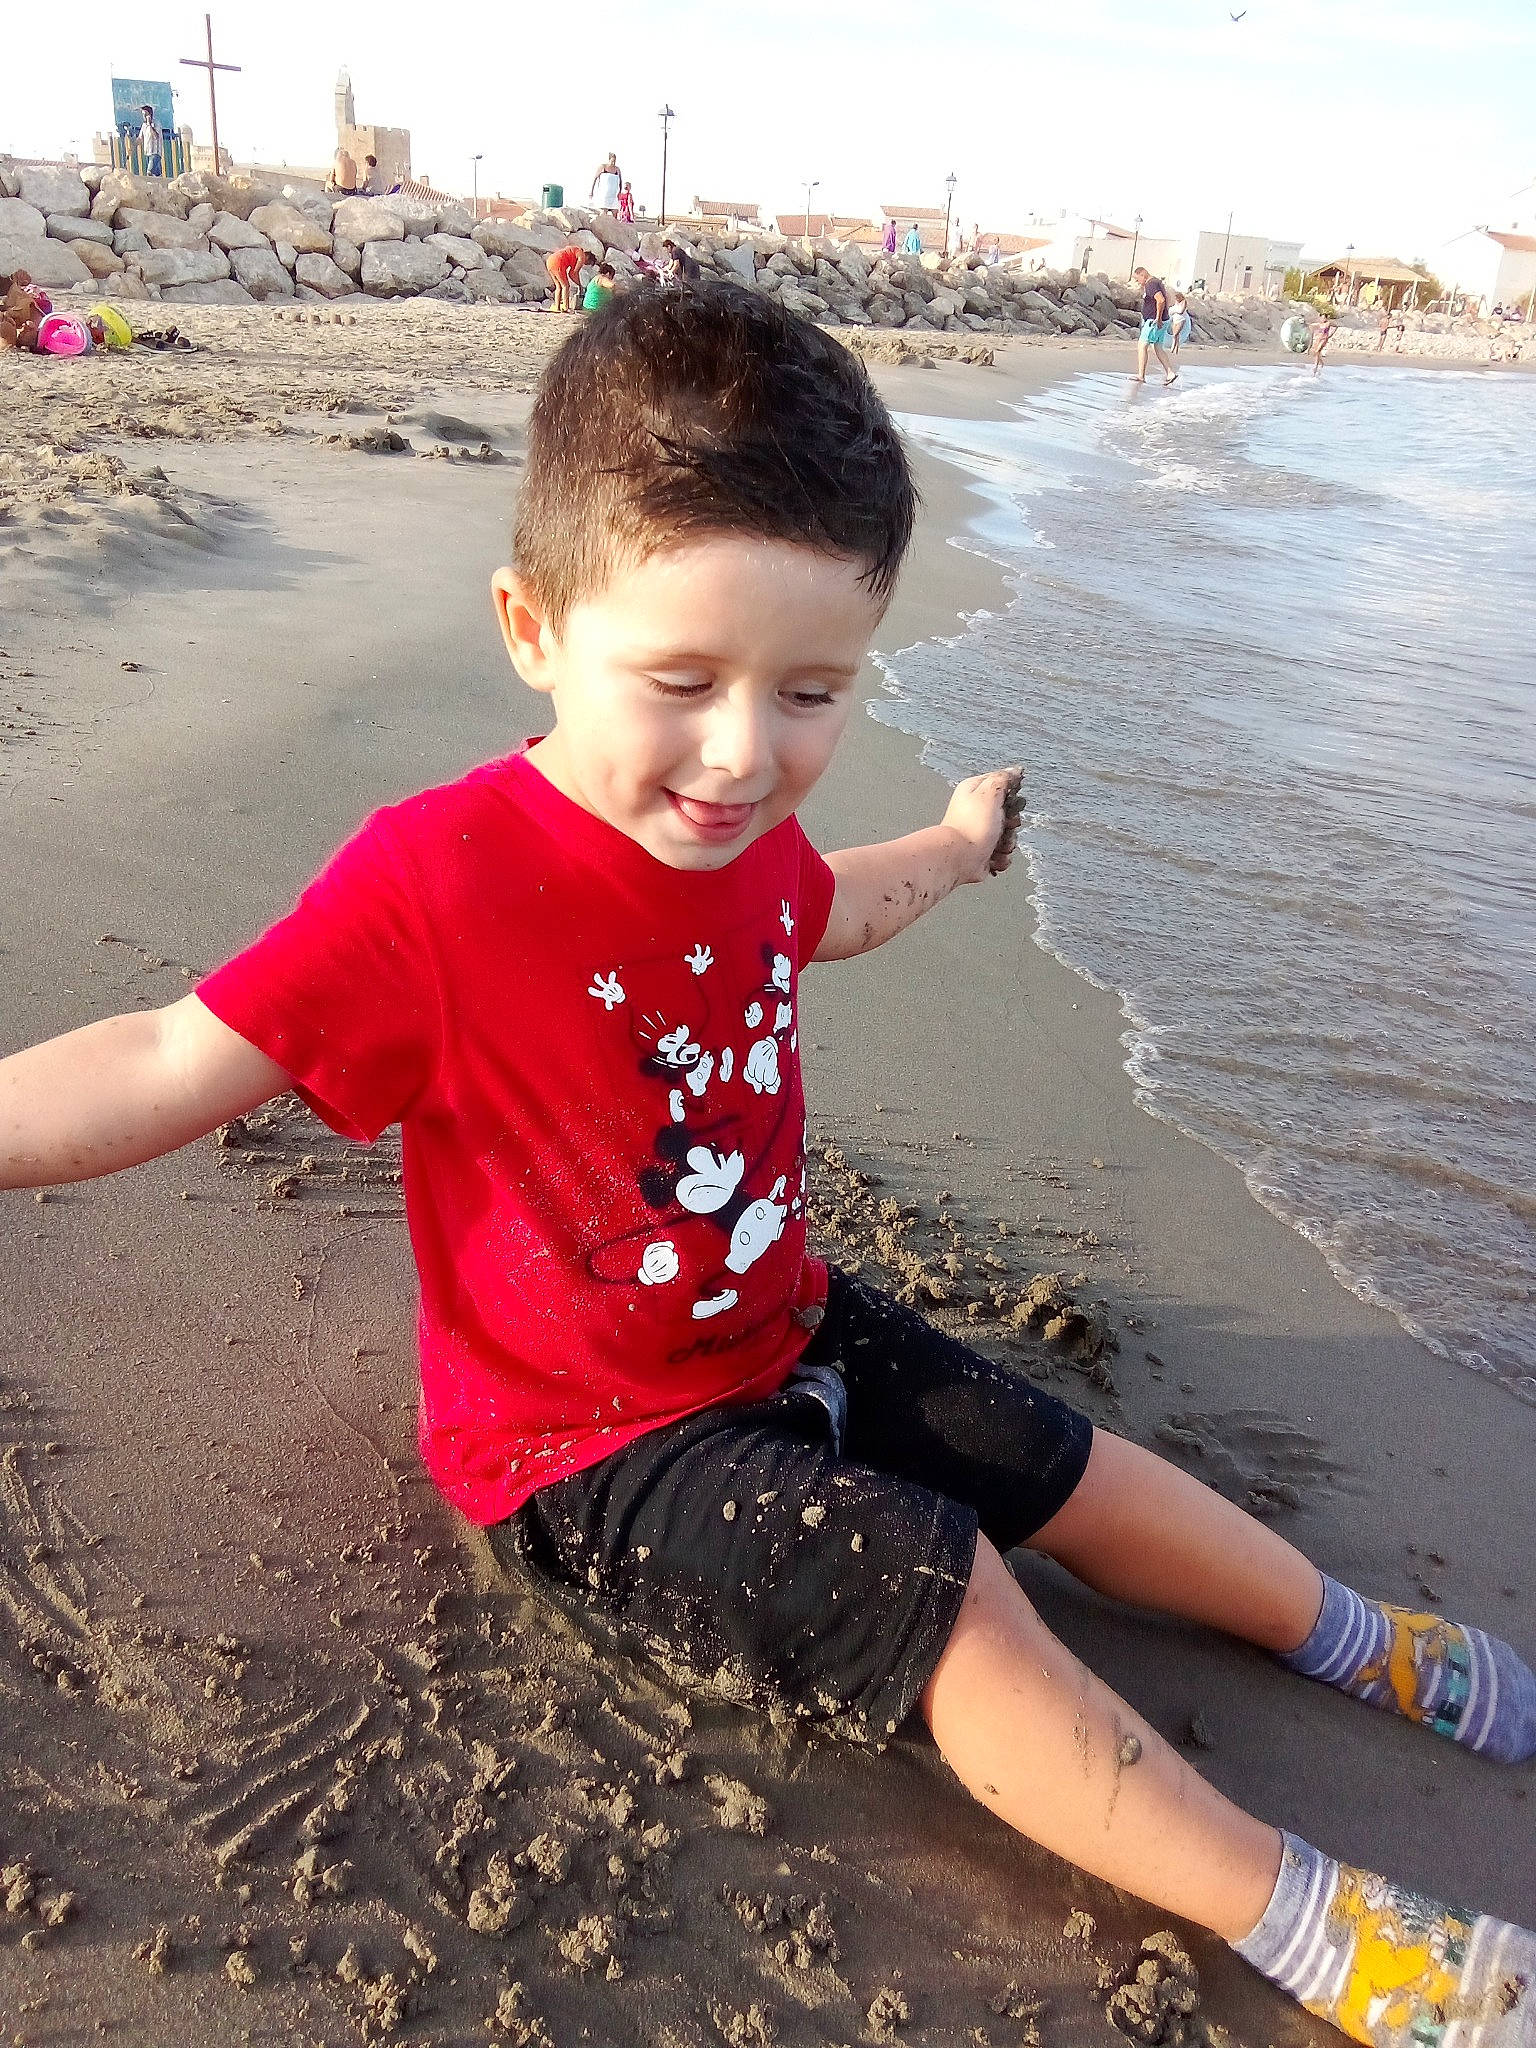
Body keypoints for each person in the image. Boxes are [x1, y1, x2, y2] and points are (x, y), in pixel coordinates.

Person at [2, 285, 1533, 2048]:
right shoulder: (434, 885)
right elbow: (170, 1055)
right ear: (532, 624)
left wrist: (955, 850)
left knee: (1058, 1457)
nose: (745, 753)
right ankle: (1317, 1919)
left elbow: (826, 908)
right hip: (586, 1447)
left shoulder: (740, 832)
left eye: (811, 690)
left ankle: (1346, 1630)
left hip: (774, 1322)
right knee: (953, 1593)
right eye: (683, 682)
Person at [1132, 264, 1176, 384]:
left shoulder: (1150, 284)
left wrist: (1158, 318)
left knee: (1142, 345)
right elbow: (1166, 299)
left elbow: (1161, 300)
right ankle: (1170, 373)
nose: (1138, 282)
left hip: (1154, 321)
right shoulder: (1157, 281)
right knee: (1158, 347)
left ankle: (1141, 375)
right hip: (1162, 319)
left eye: (1138, 279)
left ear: (1143, 274)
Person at [545, 243, 587, 313]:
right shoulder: (581, 255)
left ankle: (557, 307)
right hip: (559, 261)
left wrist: (579, 284)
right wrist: (580, 285)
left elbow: (571, 274)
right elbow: (575, 272)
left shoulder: (573, 250)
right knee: (565, 286)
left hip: (550, 261)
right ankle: (565, 307)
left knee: (558, 286)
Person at [137, 104, 163, 179]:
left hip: (155, 152)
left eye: (145, 114)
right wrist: (133, 145)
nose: (143, 116)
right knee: (157, 174)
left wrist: (149, 125)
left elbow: (155, 136)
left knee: (149, 172)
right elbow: (140, 138)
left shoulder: (156, 123)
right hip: (148, 152)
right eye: (143, 114)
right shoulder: (144, 125)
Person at [1166, 287, 1192, 360]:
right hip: (1175, 319)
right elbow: (1172, 310)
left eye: (1177, 298)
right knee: (1175, 335)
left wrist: (1175, 311)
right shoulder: (1176, 303)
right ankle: (1176, 348)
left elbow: (1181, 311)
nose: (1176, 299)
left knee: (1175, 334)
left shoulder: (1184, 302)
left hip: (1181, 320)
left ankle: (1172, 348)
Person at [1310, 308, 1335, 376]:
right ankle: (1321, 363)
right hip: (1318, 338)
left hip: (1324, 339)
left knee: (1318, 351)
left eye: (1324, 318)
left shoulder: (1328, 323)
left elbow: (1335, 327)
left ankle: (1315, 366)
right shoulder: (1319, 324)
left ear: (1326, 318)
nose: (1323, 319)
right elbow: (1312, 325)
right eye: (1322, 317)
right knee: (1315, 352)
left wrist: (1330, 335)